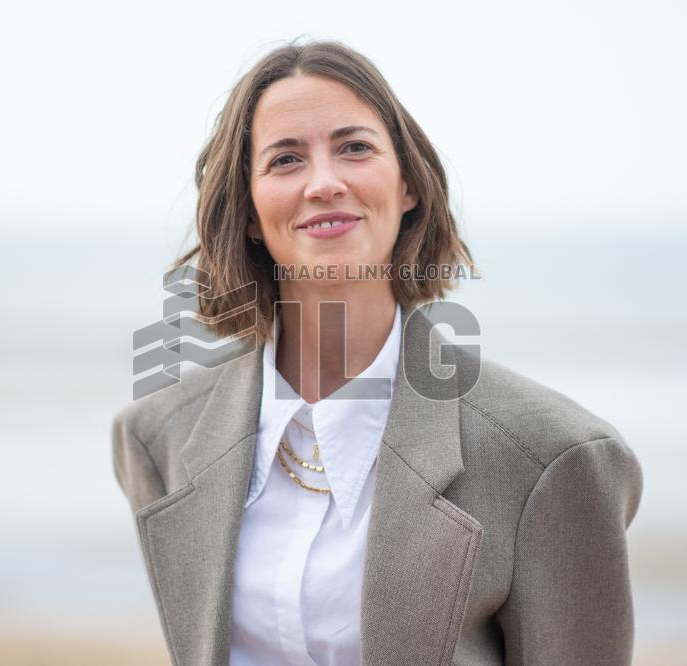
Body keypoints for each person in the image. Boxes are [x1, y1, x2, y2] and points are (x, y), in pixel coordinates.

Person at [112, 39, 643, 666]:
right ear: (249, 211)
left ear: (408, 183)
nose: (324, 183)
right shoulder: (157, 438)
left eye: (355, 148)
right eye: (285, 160)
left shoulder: (553, 458)